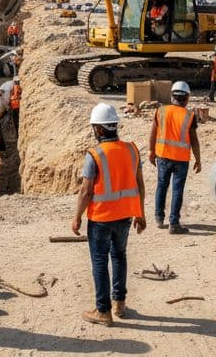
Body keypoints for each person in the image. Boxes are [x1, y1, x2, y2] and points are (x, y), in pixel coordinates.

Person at [72, 102, 145, 326]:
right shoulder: (132, 149)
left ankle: (103, 311)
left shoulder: (94, 155)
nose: (93, 131)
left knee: (100, 261)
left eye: (94, 127)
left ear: (100, 129)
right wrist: (140, 214)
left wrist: (77, 217)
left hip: (101, 219)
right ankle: (119, 304)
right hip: (125, 217)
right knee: (119, 256)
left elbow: (86, 190)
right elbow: (140, 185)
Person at [148, 81, 201, 233]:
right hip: (181, 159)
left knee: (161, 185)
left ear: (172, 96)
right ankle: (174, 223)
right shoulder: (190, 116)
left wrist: (151, 151)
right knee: (177, 190)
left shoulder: (161, 111)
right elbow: (194, 140)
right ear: (187, 98)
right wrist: (198, 159)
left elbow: (153, 133)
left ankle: (159, 218)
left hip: (163, 155)